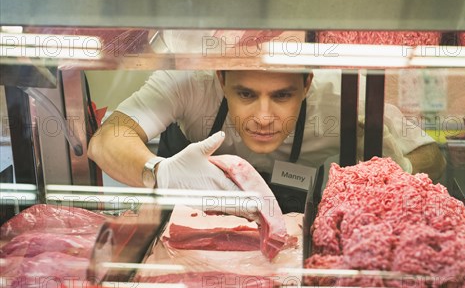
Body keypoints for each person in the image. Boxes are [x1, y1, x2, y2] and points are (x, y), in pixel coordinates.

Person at [87, 69, 446, 212]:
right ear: (221, 79)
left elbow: (430, 152)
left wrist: (405, 168)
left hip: (295, 236)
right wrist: (159, 173)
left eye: (281, 96)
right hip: (193, 231)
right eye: (244, 94)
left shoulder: (342, 94)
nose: (263, 117)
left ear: (307, 85)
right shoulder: (188, 82)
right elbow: (107, 140)